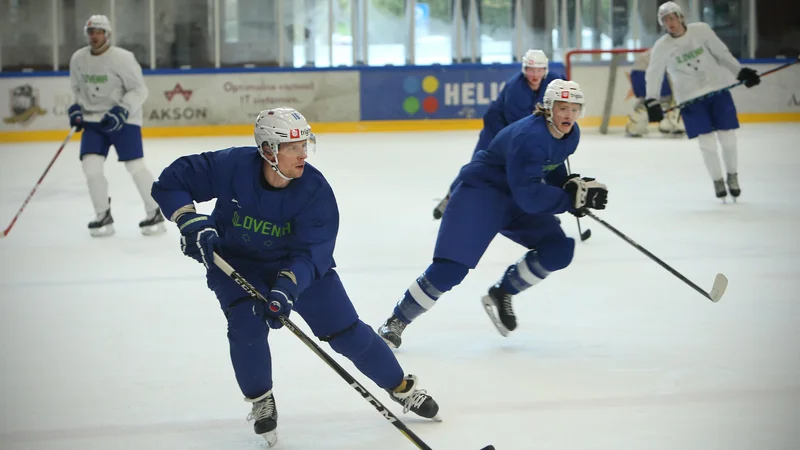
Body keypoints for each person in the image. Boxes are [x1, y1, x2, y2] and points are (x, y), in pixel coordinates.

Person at [150, 107, 441, 446]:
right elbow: (172, 181)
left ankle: (401, 387)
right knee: (246, 326)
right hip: (238, 265)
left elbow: (312, 253)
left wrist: (286, 289)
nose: (303, 154)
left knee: (348, 333)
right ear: (268, 150)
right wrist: (189, 221)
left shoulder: (314, 190)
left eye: (304, 144)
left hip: (298, 269)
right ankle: (261, 400)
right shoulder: (232, 166)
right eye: (292, 147)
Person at [378, 80, 609, 348]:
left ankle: (502, 293)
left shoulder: (571, 134)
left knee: (558, 249)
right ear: (548, 107)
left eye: (574, 108)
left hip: (516, 195)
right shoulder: (530, 137)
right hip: (482, 195)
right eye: (562, 108)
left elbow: (551, 165)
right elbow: (530, 198)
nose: (568, 115)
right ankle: (396, 320)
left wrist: (569, 186)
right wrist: (568, 200)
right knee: (450, 270)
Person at [644, 1, 760, 201]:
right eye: (665, 20)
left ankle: (732, 175)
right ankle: (717, 180)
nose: (670, 23)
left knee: (728, 139)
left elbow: (722, 54)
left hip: (717, 90)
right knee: (707, 144)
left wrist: (739, 71)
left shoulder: (702, 31)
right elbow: (654, 74)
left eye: (672, 17)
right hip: (690, 99)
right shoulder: (662, 46)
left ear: (680, 17)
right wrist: (652, 100)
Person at [433, 49, 566, 219]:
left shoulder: (555, 82)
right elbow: (518, 127)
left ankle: (540, 213)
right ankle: (450, 197)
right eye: (531, 70)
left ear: (545, 70)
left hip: (528, 130)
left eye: (539, 70)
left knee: (538, 167)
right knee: (476, 167)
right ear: (524, 69)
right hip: (497, 130)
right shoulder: (515, 89)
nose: (535, 75)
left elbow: (564, 100)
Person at [68, 14, 165, 237]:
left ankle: (154, 211)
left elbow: (139, 89)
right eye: (91, 32)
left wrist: (122, 110)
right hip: (93, 121)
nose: (94, 36)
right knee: (91, 168)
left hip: (124, 120)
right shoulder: (78, 59)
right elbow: (76, 89)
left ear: (108, 34)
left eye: (99, 32)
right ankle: (103, 215)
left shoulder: (122, 58)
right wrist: (75, 108)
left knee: (135, 166)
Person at [625, 49, 685, 137]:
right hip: (652, 70)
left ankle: (635, 125)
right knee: (665, 101)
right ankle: (671, 124)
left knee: (646, 101)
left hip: (636, 72)